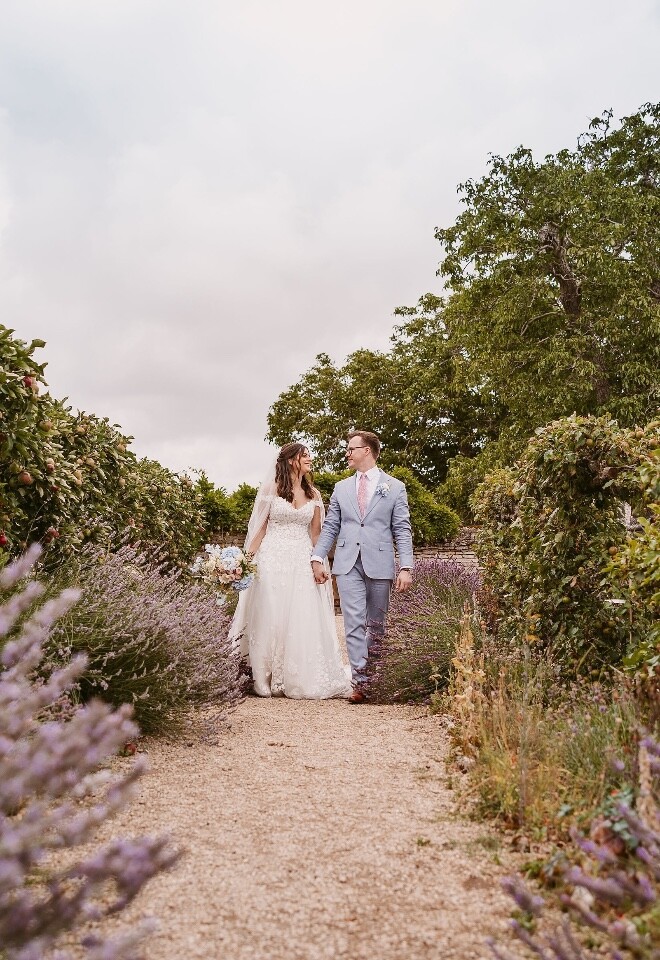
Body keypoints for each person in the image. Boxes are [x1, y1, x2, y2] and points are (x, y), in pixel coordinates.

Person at [229, 442, 352, 699]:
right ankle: (262, 676)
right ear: (290, 460)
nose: (309, 458)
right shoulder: (270, 490)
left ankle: (292, 675)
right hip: (271, 558)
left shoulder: (314, 494)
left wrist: (319, 563)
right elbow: (260, 530)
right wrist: (244, 562)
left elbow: (316, 535)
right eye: (304, 455)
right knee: (270, 612)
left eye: (309, 454)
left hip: (301, 558)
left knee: (300, 614)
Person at [311, 431, 413, 703]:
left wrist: (406, 566)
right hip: (347, 563)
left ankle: (373, 675)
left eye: (351, 449)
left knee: (377, 625)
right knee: (353, 623)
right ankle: (361, 682)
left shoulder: (395, 487)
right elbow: (331, 526)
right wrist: (317, 557)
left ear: (367, 450)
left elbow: (402, 529)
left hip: (380, 563)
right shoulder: (341, 488)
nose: (347, 454)